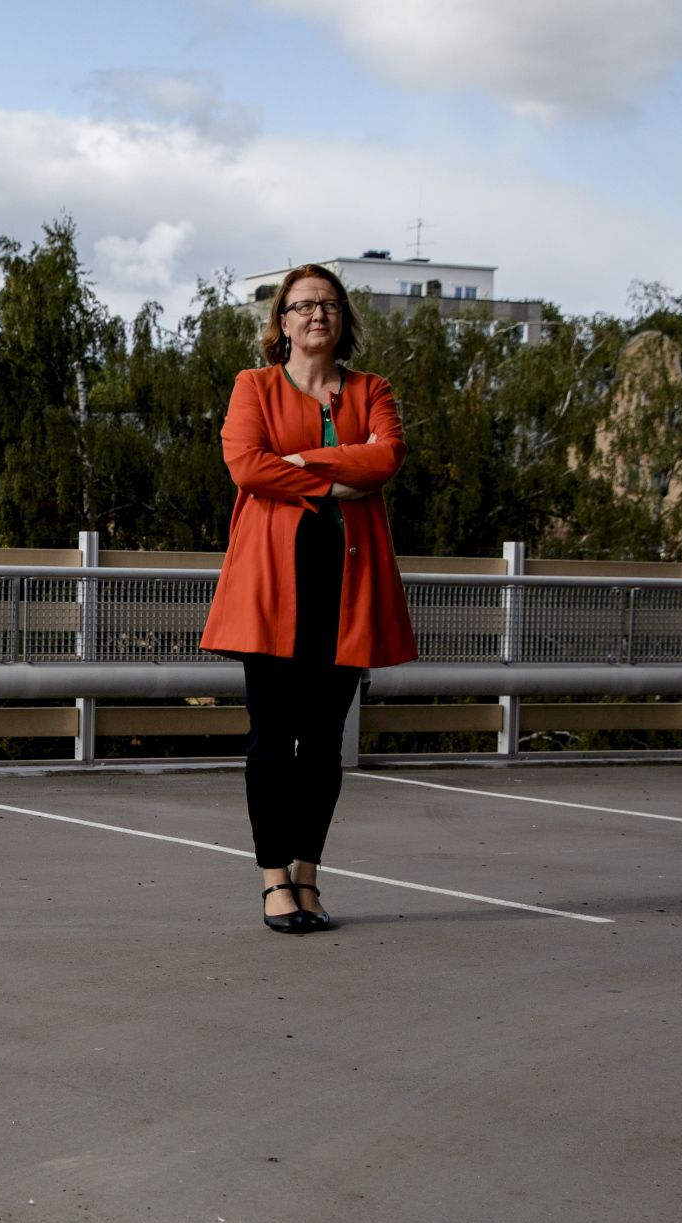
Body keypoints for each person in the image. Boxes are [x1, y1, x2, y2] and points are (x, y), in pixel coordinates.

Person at [200, 265, 416, 933]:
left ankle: (308, 877)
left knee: (322, 742)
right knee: (271, 737)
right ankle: (272, 882)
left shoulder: (371, 389)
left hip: (346, 589)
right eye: (301, 306)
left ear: (343, 319)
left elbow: (386, 459)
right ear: (282, 322)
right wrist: (332, 479)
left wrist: (297, 465)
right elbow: (245, 465)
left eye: (326, 304)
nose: (315, 315)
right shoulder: (253, 387)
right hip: (271, 585)